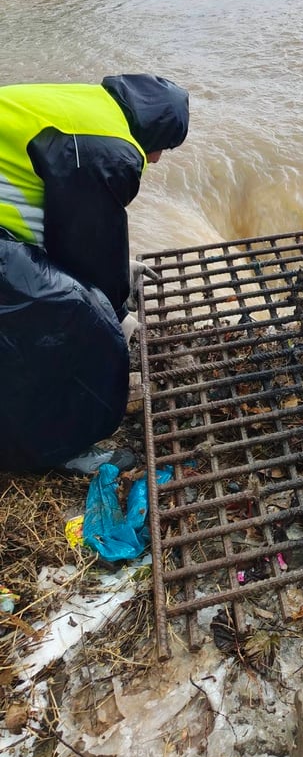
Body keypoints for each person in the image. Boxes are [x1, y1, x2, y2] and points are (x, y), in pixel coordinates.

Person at [0, 74, 189, 474]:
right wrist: (114, 313)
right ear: (156, 132)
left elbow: (72, 222)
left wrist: (118, 271)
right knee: (75, 316)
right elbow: (84, 247)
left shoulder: (92, 109)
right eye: (165, 148)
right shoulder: (112, 151)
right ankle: (60, 447)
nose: (157, 160)